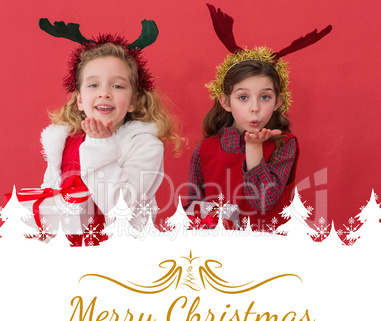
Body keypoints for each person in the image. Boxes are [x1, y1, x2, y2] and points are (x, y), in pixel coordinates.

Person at [40, 22, 181, 245]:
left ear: (133, 100)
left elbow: (121, 207)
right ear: (79, 99)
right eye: (94, 85)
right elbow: (50, 201)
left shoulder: (145, 145)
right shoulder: (63, 143)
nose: (105, 93)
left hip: (118, 258)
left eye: (117, 86)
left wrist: (101, 146)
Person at [186, 47, 299, 231]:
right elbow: (193, 208)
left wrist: (254, 148)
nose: (254, 107)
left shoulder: (285, 144)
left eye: (264, 97)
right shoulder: (205, 149)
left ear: (278, 102)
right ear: (226, 102)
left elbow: (263, 202)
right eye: (243, 97)